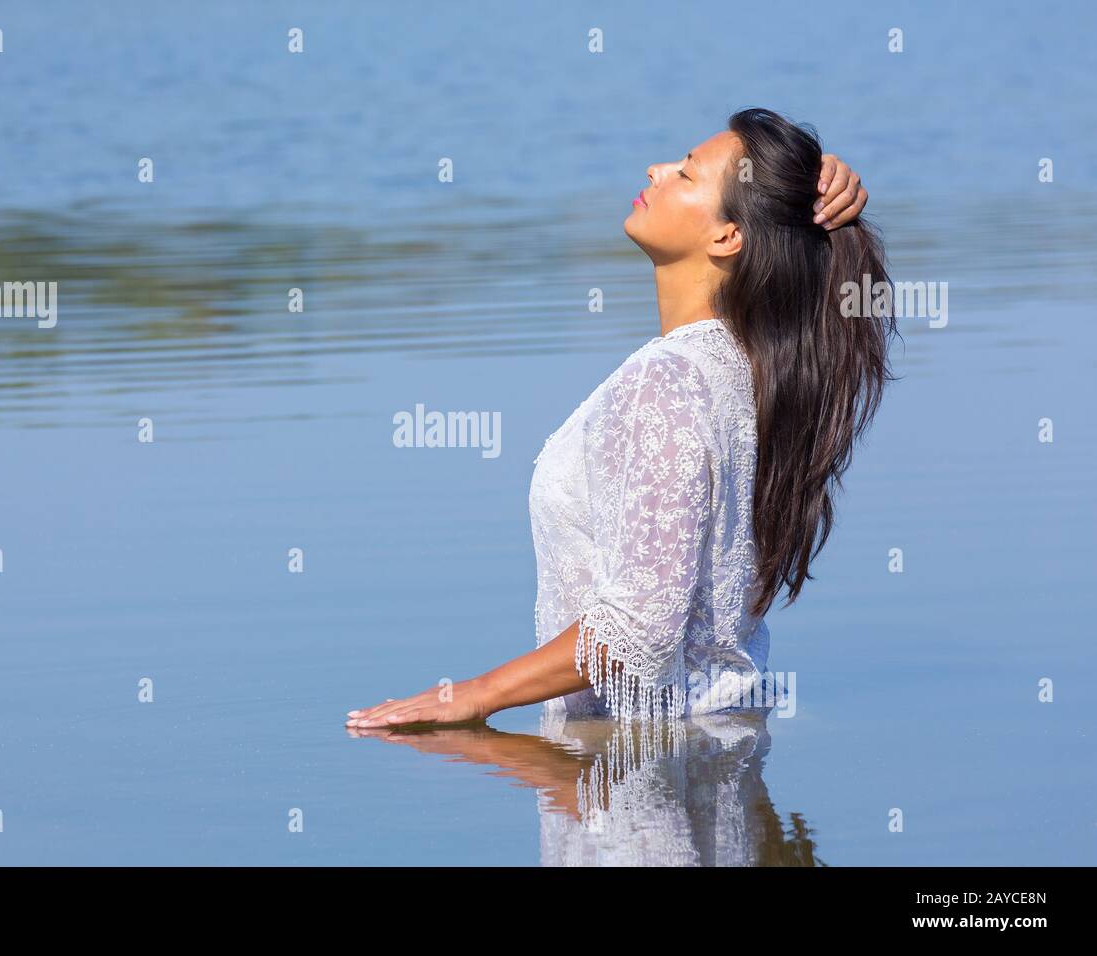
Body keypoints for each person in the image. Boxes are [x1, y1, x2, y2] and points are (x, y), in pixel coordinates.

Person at [347, 108, 892, 738]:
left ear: (727, 237)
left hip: (638, 770)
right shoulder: (749, 375)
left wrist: (476, 697)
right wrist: (804, 190)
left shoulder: (670, 382)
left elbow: (639, 629)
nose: (656, 171)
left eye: (686, 174)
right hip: (714, 744)